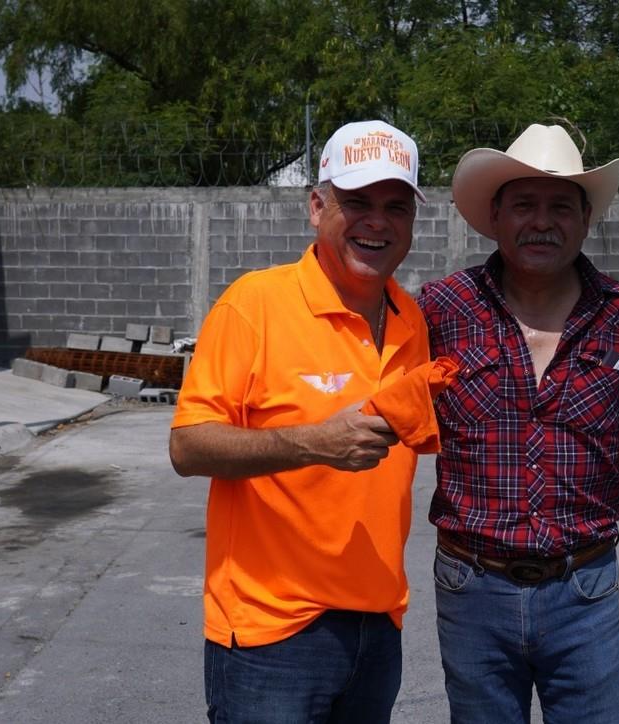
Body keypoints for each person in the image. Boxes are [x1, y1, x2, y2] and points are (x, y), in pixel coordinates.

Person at [418, 123, 619, 723]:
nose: (541, 222)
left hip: (585, 592)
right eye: (524, 204)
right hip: (472, 589)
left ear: (585, 219)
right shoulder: (441, 310)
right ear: (495, 215)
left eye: (560, 207)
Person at [169, 119, 431, 724]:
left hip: (377, 624)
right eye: (356, 202)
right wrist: (313, 443)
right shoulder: (255, 305)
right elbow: (188, 446)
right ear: (317, 206)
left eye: (396, 207)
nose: (377, 222)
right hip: (273, 633)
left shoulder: (412, 319)